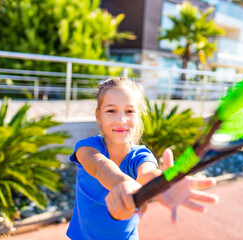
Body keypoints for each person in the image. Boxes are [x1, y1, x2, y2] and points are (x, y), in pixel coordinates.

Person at [66, 77, 219, 240]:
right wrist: (124, 185)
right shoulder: (86, 147)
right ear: (99, 115)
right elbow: (100, 166)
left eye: (129, 111)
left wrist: (165, 182)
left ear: (139, 116)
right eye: (111, 110)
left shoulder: (141, 156)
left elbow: (149, 173)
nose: (121, 120)